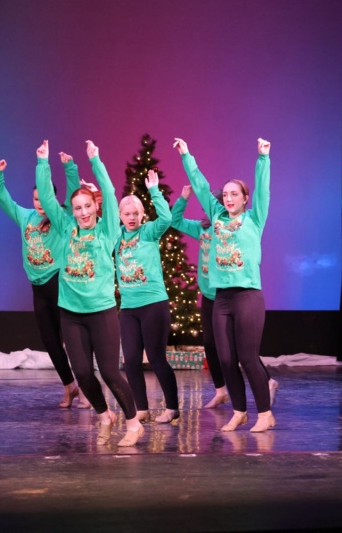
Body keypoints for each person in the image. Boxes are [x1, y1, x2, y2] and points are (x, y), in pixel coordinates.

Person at [35, 139, 144, 447]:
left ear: (96, 206)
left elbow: (109, 191)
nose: (83, 212)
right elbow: (46, 197)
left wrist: (95, 160)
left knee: (109, 372)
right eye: (77, 208)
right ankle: (105, 416)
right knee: (82, 373)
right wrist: (43, 163)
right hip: (71, 312)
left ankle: (134, 423)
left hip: (101, 312)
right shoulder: (65, 227)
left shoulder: (107, 229)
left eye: (87, 206)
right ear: (72, 211)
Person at [173, 137, 275, 433]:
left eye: (234, 194)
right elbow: (201, 186)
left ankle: (265, 414)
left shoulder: (254, 218)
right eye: (226, 195)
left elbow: (264, 190)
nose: (229, 199)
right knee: (226, 359)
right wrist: (187, 155)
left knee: (247, 358)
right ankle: (239, 412)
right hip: (222, 298)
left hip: (247, 297)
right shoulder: (216, 218)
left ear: (245, 198)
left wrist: (263, 158)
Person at [0, 155, 90, 409]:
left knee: (72, 338)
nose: (40, 204)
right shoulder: (25, 217)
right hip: (38, 288)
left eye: (43, 199)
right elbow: (3, 199)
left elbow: (72, 193)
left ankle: (87, 388)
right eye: (36, 199)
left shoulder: (60, 216)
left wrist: (69, 167)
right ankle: (69, 386)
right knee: (50, 340)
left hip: (59, 283)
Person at [116, 169, 179, 424]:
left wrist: (154, 191)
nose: (131, 218)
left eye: (135, 213)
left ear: (142, 214)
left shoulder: (149, 231)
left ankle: (172, 408)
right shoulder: (117, 237)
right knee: (131, 360)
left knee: (156, 359)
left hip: (153, 304)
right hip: (129, 308)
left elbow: (167, 218)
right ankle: (141, 408)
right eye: (126, 214)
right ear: (120, 216)